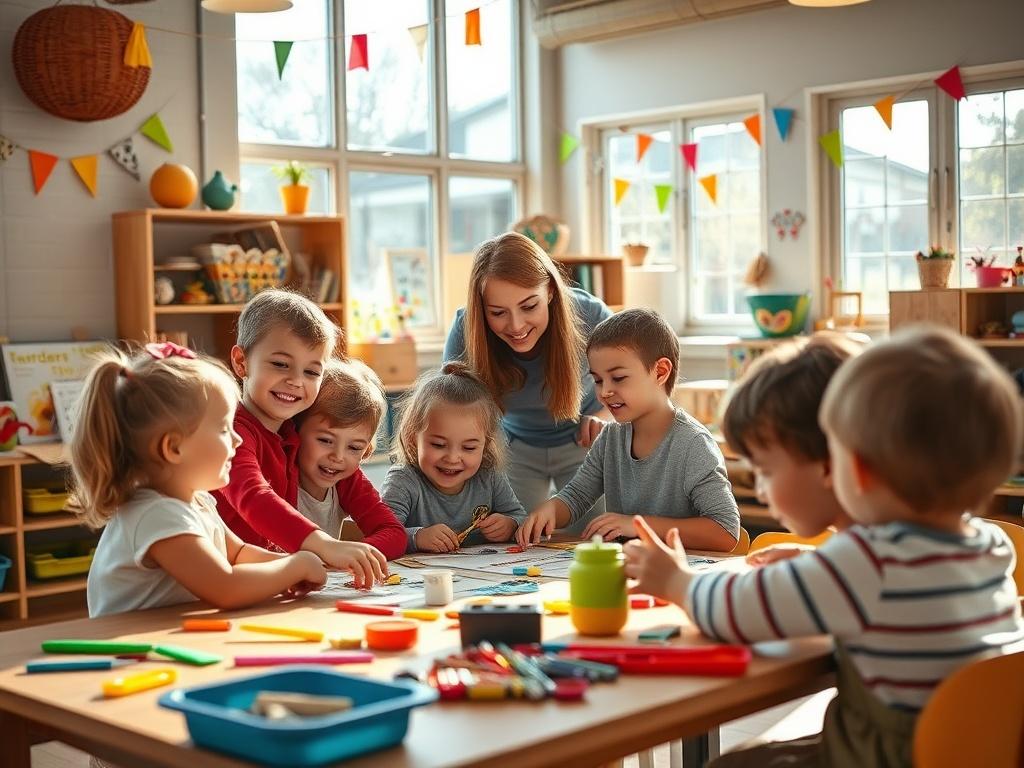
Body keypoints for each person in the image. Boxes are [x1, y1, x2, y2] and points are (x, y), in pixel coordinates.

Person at [624, 326, 1024, 768]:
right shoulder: (988, 545)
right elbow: (897, 589)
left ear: (855, 468)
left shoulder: (866, 564)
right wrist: (821, 561)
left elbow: (742, 610)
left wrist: (676, 582)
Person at [71, 342, 327, 618]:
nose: (237, 438)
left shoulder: (198, 499)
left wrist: (291, 567)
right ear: (174, 448)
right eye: (223, 428)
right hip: (130, 652)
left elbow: (237, 554)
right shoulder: (156, 514)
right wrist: (296, 566)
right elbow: (226, 588)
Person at [517, 308, 738, 550]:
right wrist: (550, 509)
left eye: (619, 378)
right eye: (598, 380)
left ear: (661, 372)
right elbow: (577, 497)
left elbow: (725, 531)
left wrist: (637, 525)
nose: (604, 392)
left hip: (679, 575)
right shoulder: (610, 438)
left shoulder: (693, 444)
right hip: (630, 570)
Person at [211, 288, 385, 588]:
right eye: (280, 364)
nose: (295, 381)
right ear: (241, 363)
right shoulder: (233, 430)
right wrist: (325, 545)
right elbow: (253, 497)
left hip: (257, 582)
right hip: (218, 582)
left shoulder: (292, 436)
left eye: (311, 371)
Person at [444, 232, 612, 534]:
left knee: (597, 538)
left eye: (529, 306)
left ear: (549, 290)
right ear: (481, 307)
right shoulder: (464, 330)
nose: (516, 326)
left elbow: (634, 387)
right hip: (513, 447)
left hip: (585, 443)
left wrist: (605, 416)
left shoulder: (592, 315)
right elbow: (448, 409)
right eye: (498, 313)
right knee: (514, 537)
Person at [720, 332, 863, 565]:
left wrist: (676, 580)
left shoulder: (859, 563)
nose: (760, 493)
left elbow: (736, 600)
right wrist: (810, 557)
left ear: (828, 465)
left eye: (765, 472)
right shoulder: (889, 545)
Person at [382, 362, 526, 553]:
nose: (452, 458)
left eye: (468, 447)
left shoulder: (488, 476)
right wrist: (418, 537)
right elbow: (382, 533)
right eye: (439, 445)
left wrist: (511, 524)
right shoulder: (403, 480)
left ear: (485, 447)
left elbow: (519, 515)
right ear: (412, 439)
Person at [294, 359, 406, 560]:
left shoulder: (347, 481)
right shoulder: (278, 475)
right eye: (325, 440)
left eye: (354, 448)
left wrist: (352, 554)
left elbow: (393, 533)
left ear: (366, 451)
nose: (337, 457)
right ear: (295, 431)